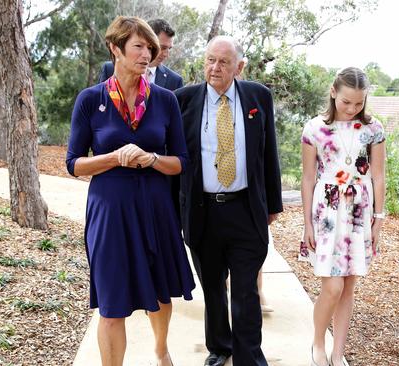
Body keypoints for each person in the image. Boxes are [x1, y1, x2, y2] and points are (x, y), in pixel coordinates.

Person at [66, 16, 195, 366]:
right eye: (138, 46)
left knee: (161, 289)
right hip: (110, 211)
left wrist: (151, 158)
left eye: (150, 48)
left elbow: (181, 161)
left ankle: (160, 348)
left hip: (155, 208)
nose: (147, 54)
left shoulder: (165, 100)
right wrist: (112, 158)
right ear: (115, 48)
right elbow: (74, 163)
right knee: (111, 303)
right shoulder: (90, 100)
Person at [172, 35, 283, 366]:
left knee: (246, 291)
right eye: (209, 60)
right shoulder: (184, 100)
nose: (214, 68)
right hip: (203, 211)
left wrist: (273, 204)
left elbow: (268, 153)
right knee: (214, 288)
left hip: (245, 210)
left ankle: (250, 357)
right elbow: (174, 160)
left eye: (222, 62)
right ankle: (220, 347)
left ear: (239, 66)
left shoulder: (258, 97)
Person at [299, 67, 386, 366]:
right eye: (346, 101)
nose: (352, 109)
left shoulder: (374, 129)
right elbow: (308, 178)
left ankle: (338, 353)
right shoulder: (314, 129)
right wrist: (307, 223)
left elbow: (378, 175)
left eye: (358, 103)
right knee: (332, 287)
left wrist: (379, 219)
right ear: (334, 91)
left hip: (360, 211)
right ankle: (318, 343)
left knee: (348, 286)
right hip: (327, 211)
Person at [98, 18, 184, 90]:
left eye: (169, 48)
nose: (166, 54)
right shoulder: (109, 69)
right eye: (162, 47)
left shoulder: (174, 81)